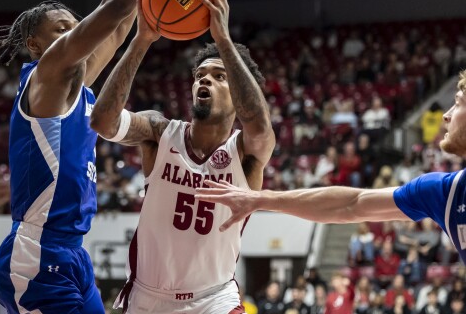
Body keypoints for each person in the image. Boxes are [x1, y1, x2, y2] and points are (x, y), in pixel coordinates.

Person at [0, 0, 171, 314]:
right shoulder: (47, 75)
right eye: (62, 29)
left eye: (76, 25)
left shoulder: (79, 87)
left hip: (73, 253)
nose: (74, 33)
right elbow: (114, 7)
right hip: (37, 251)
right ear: (35, 43)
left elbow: (116, 24)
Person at [90, 0, 274, 314]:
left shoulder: (247, 152)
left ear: (237, 93)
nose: (204, 80)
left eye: (219, 77)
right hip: (149, 303)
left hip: (214, 298)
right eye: (200, 75)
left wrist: (223, 39)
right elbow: (102, 121)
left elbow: (258, 122)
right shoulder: (160, 133)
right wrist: (142, 40)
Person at [195, 73, 466, 264]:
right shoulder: (444, 194)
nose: (447, 114)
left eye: (458, 102)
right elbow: (351, 204)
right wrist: (261, 199)